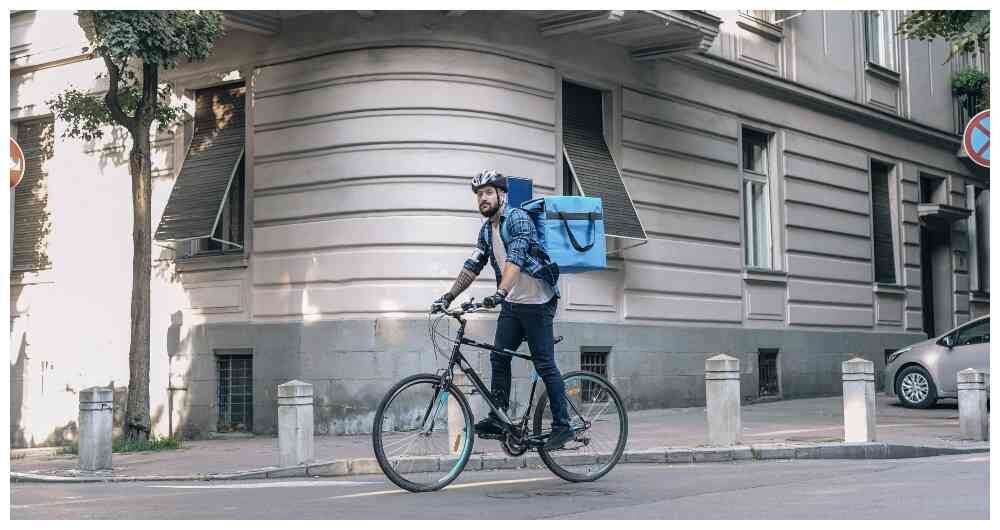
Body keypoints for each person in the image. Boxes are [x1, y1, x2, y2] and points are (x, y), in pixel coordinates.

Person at [432, 170, 573, 450]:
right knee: (499, 358)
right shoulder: (487, 230)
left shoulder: (517, 219)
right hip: (513, 303)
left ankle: (563, 425)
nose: (482, 198)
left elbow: (515, 260)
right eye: (478, 194)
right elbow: (473, 265)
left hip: (538, 303)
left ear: (501, 195)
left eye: (487, 192)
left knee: (544, 363)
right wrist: (448, 296)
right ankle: (499, 415)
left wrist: (499, 293)